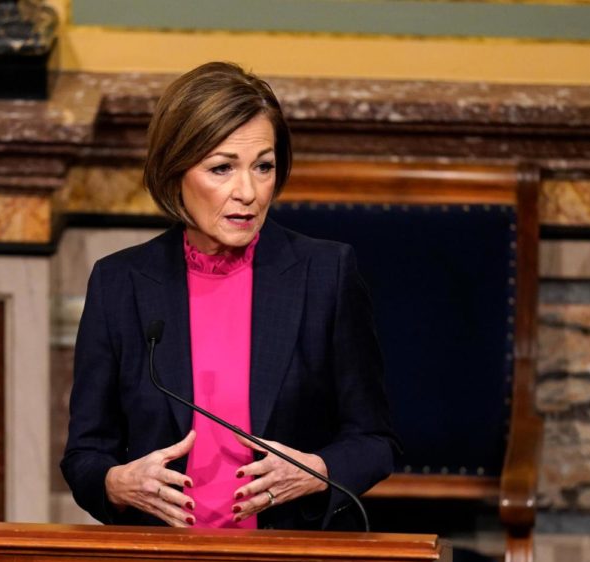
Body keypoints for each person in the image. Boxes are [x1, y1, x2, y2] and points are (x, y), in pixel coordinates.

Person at [61, 62, 397, 531]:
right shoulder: (120, 283)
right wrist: (117, 483)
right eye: (222, 168)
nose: (248, 192)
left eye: (263, 167)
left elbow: (374, 441)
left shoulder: (325, 274)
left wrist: (315, 472)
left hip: (288, 561)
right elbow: (84, 456)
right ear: (174, 172)